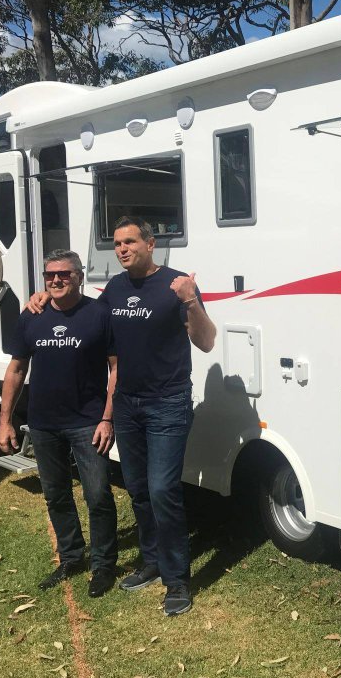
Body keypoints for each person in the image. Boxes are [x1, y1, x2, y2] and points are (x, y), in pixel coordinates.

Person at [28, 216, 216, 616]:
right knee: (138, 489)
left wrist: (189, 300)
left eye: (130, 241)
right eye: (117, 244)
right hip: (127, 404)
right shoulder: (114, 289)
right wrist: (44, 298)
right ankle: (151, 560)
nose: (122, 249)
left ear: (150, 243)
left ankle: (176, 580)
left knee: (163, 489)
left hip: (167, 402)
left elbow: (206, 341)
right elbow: (85, 317)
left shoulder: (177, 284)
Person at [0, 250, 119, 598]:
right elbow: (16, 369)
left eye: (64, 274)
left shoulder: (98, 314)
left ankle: (103, 565)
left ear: (79, 276)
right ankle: (71, 557)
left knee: (98, 494)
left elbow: (116, 368)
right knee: (56, 495)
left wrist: (107, 418)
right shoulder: (31, 316)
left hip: (88, 422)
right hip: (44, 423)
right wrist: (6, 421)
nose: (56, 280)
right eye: (49, 275)